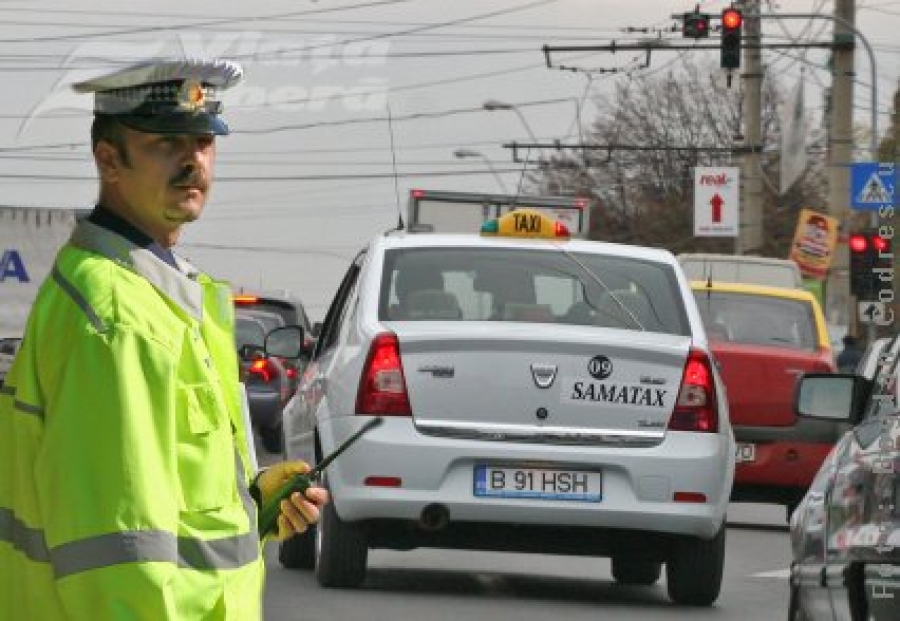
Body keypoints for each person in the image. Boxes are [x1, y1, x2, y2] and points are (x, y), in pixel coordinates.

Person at [0, 58, 328, 620]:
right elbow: (119, 558)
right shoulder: (116, 316)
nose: (192, 160)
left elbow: (164, 502)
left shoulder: (156, 293)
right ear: (109, 160)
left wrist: (253, 505)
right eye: (166, 143)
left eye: (203, 141)